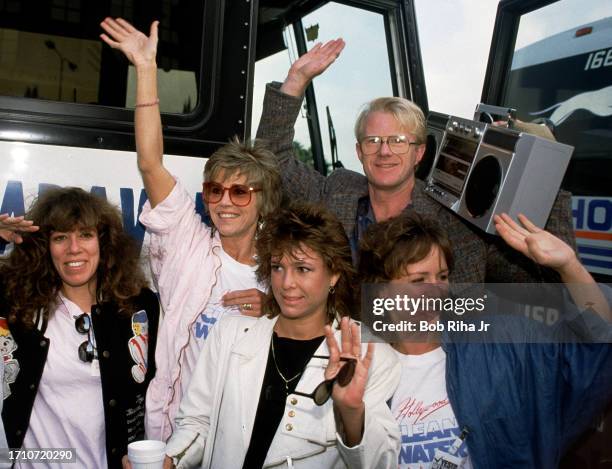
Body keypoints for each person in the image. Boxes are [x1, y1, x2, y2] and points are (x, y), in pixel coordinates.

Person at [255, 40, 576, 283]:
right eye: (374, 141)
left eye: (398, 141)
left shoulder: (456, 222)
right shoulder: (337, 190)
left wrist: (543, 168)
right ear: (359, 151)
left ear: (419, 152)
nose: (384, 151)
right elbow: (273, 162)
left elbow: (545, 283)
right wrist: (296, 79)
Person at [99, 17, 283, 441]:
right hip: (179, 429)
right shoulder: (189, 240)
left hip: (245, 432)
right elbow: (150, 162)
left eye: (240, 193)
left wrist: (276, 307)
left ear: (263, 200)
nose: (224, 202)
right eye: (215, 190)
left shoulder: (283, 271)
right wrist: (146, 69)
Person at [358, 211, 612, 469]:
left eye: (442, 277)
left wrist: (569, 266)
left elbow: (598, 342)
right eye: (419, 280)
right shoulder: (364, 368)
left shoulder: (501, 343)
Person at [163, 202, 400, 468]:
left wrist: (352, 412)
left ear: (334, 274)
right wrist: (172, 459)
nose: (286, 283)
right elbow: (197, 422)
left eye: (303, 269)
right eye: (278, 267)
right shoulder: (229, 335)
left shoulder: (371, 354)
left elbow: (382, 463)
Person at [0, 187, 159, 469]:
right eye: (61, 237)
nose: (74, 248)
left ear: (104, 242)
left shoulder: (138, 307)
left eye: (85, 234)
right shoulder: (17, 303)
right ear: (45, 246)